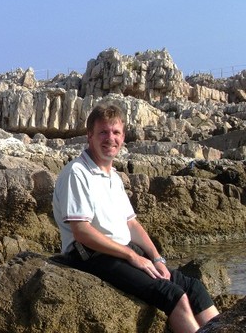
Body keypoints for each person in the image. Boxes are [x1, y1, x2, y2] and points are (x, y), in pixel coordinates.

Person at [52, 103, 219, 333]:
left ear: (123, 137)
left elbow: (131, 224)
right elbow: (82, 231)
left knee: (193, 287)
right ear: (89, 135)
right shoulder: (77, 173)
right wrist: (132, 256)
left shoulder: (114, 177)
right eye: (103, 132)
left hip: (120, 251)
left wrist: (156, 257)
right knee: (174, 296)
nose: (110, 138)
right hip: (89, 255)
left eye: (116, 132)